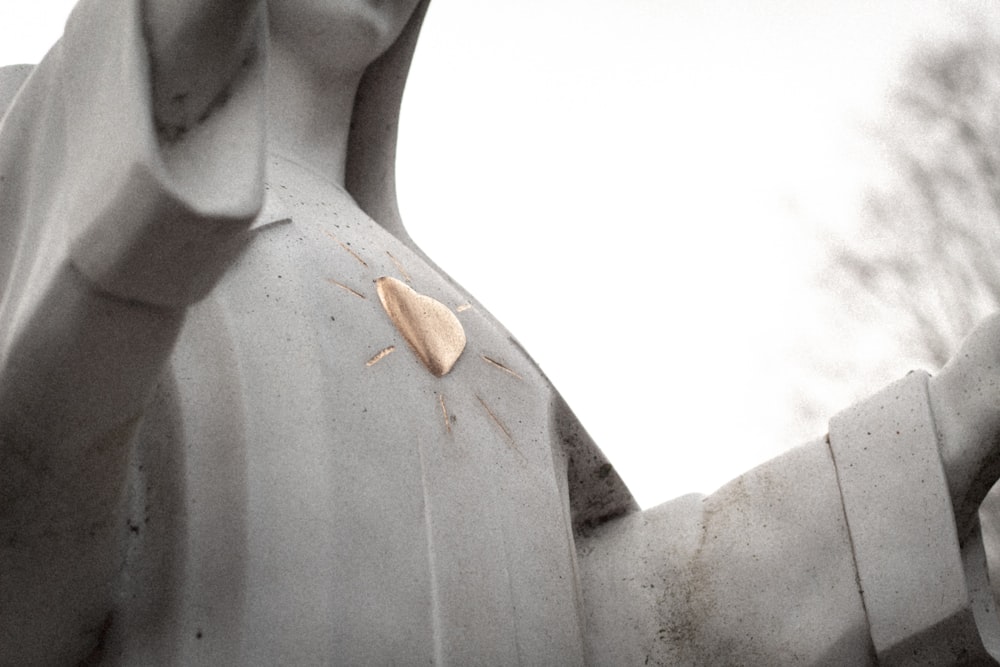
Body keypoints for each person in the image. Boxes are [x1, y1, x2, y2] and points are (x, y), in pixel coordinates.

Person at [2, 0, 1000, 663]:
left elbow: (625, 622)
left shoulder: (479, 348)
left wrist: (935, 440)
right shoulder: (46, 153)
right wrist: (154, 96)